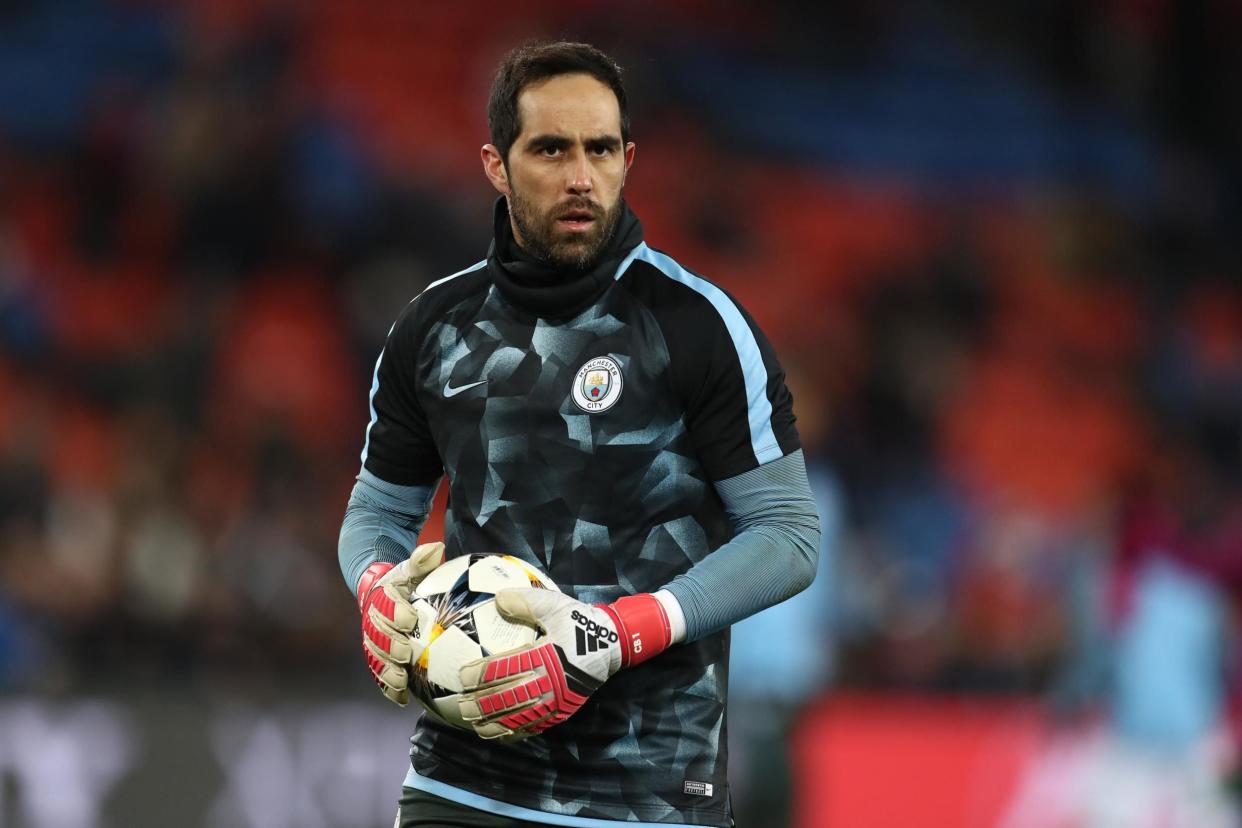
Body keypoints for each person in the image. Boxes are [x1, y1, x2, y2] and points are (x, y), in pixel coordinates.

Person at [338, 41, 821, 828]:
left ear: (629, 158)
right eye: (551, 149)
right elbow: (377, 515)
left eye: (600, 149)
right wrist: (374, 590)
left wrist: (623, 631)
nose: (580, 177)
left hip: (650, 793)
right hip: (462, 782)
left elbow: (788, 535)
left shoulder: (698, 327)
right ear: (496, 164)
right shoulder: (435, 327)